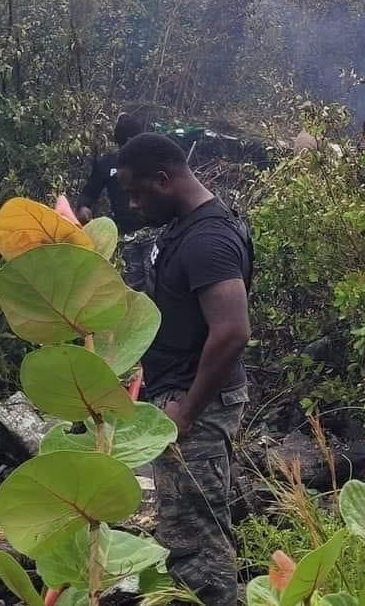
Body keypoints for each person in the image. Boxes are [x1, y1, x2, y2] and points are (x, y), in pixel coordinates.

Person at [116, 133, 253, 606]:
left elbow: (233, 331)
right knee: (183, 522)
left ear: (163, 179)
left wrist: (187, 411)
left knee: (197, 536)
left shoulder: (208, 238)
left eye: (137, 193)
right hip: (175, 392)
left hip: (197, 402)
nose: (133, 204)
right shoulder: (181, 223)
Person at [76, 113, 152, 289]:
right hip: (126, 238)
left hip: (154, 233)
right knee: (132, 289)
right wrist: (84, 207)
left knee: (157, 284)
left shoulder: (149, 162)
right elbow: (90, 191)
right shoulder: (107, 164)